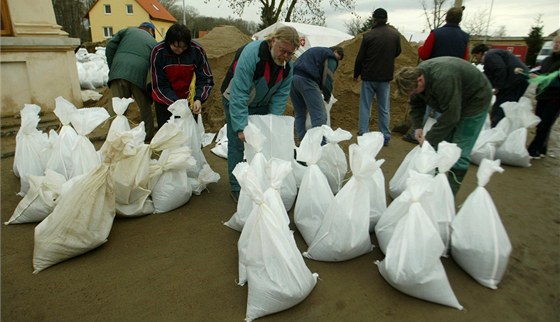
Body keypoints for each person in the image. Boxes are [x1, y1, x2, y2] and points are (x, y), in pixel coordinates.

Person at [221, 26, 300, 202]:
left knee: (264, 142)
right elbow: (239, 93)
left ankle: (261, 181)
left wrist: (273, 123)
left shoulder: (288, 67)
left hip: (261, 103)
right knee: (237, 142)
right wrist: (241, 127)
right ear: (273, 41)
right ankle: (237, 186)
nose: (285, 56)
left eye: (290, 53)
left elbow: (280, 96)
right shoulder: (252, 55)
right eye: (283, 50)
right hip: (235, 98)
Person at [394, 56, 493, 195]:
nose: (414, 94)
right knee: (440, 146)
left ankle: (449, 197)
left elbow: (452, 116)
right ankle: (432, 189)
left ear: (420, 80)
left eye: (414, 91)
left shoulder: (443, 78)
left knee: (459, 151)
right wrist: (417, 127)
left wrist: (429, 139)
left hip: (475, 101)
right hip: (453, 100)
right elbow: (416, 104)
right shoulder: (415, 80)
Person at [403, 6, 470, 144]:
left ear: (446, 17)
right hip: (453, 80)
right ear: (460, 19)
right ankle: (441, 139)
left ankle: (418, 134)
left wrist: (420, 48)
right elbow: (465, 59)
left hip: (433, 77)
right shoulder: (464, 37)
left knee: (426, 105)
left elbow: (424, 54)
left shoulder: (437, 34)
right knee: (445, 110)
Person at [150, 23, 214, 129]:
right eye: (176, 47)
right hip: (165, 103)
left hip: (189, 101)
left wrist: (199, 98)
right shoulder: (158, 52)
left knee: (188, 134)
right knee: (168, 136)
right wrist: (177, 103)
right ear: (169, 42)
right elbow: (158, 84)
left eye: (184, 47)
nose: (180, 51)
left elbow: (206, 78)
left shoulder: (196, 50)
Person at [353, 8, 401, 146]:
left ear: (374, 19)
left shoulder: (369, 36)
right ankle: (385, 136)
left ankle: (363, 133)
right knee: (384, 107)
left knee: (365, 106)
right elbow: (398, 52)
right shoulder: (394, 36)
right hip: (385, 77)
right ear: (386, 19)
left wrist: (356, 74)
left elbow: (360, 57)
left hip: (368, 76)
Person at [105, 22, 157, 140]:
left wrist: (113, 66)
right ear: (151, 31)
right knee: (145, 108)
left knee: (116, 109)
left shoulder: (127, 31)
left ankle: (114, 140)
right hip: (139, 75)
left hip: (117, 72)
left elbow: (110, 46)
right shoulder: (154, 43)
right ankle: (147, 138)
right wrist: (149, 88)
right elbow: (154, 66)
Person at [290, 46, 344, 143]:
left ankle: (303, 144)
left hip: (293, 79)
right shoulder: (330, 56)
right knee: (319, 114)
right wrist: (327, 96)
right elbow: (327, 78)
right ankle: (320, 147)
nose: (336, 61)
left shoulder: (316, 51)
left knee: (300, 113)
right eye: (338, 58)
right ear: (335, 51)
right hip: (307, 80)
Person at [471, 43, 529, 127]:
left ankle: (497, 128)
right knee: (502, 106)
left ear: (480, 53)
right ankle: (498, 126)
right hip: (515, 81)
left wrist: (498, 87)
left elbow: (500, 69)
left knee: (502, 106)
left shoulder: (490, 55)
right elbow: (489, 76)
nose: (476, 59)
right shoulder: (491, 58)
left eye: (476, 56)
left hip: (516, 82)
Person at [527, 35, 560, 159]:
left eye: (559, 43)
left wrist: (541, 79)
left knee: (545, 124)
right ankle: (542, 149)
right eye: (555, 42)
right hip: (542, 96)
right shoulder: (547, 60)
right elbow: (540, 71)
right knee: (540, 123)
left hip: (555, 98)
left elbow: (554, 80)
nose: (556, 45)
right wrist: (531, 74)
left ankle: (534, 150)